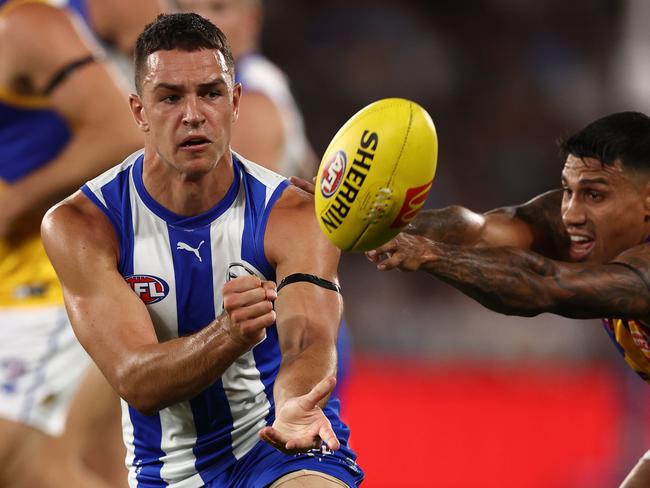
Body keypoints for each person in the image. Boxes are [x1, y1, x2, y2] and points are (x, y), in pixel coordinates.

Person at [42, 12, 363, 488]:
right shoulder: (84, 224)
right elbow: (136, 380)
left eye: (210, 93)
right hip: (166, 472)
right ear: (138, 111)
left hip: (280, 444)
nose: (193, 114)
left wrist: (296, 401)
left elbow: (309, 339)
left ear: (235, 102)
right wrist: (230, 333)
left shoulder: (293, 213)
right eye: (170, 98)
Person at [362, 111, 650, 488]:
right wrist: (376, 224)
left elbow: (543, 284)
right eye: (567, 190)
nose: (571, 213)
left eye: (594, 194)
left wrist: (430, 255)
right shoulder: (582, 226)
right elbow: (481, 229)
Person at [0, 0, 168, 486]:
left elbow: (123, 132)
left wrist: (16, 200)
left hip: (52, 281)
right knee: (101, 462)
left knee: (19, 461)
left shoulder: (28, 25)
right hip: (15, 283)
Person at [175, 0, 353, 399]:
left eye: (218, 7)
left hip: (267, 333)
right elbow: (317, 187)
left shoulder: (248, 104)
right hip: (303, 313)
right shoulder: (269, 82)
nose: (200, 19)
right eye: (186, 6)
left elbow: (239, 235)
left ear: (252, 21)